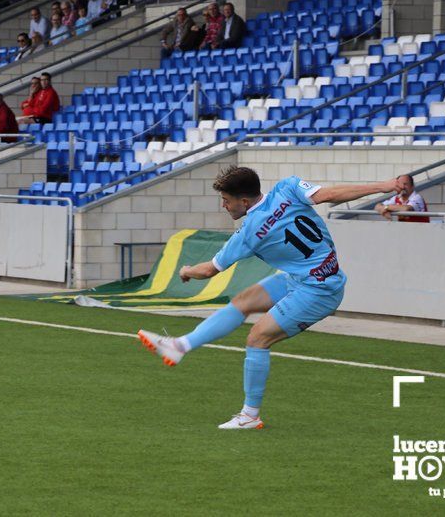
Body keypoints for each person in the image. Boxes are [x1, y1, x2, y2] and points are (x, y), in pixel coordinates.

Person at [137, 166, 401, 429]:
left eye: (226, 201)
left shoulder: (249, 231)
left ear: (243, 201)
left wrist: (186, 271)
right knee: (244, 301)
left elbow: (209, 270)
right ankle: (180, 346)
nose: (223, 206)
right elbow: (329, 195)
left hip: (318, 291)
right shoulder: (287, 187)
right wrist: (384, 185)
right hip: (305, 278)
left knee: (257, 338)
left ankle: (250, 416)